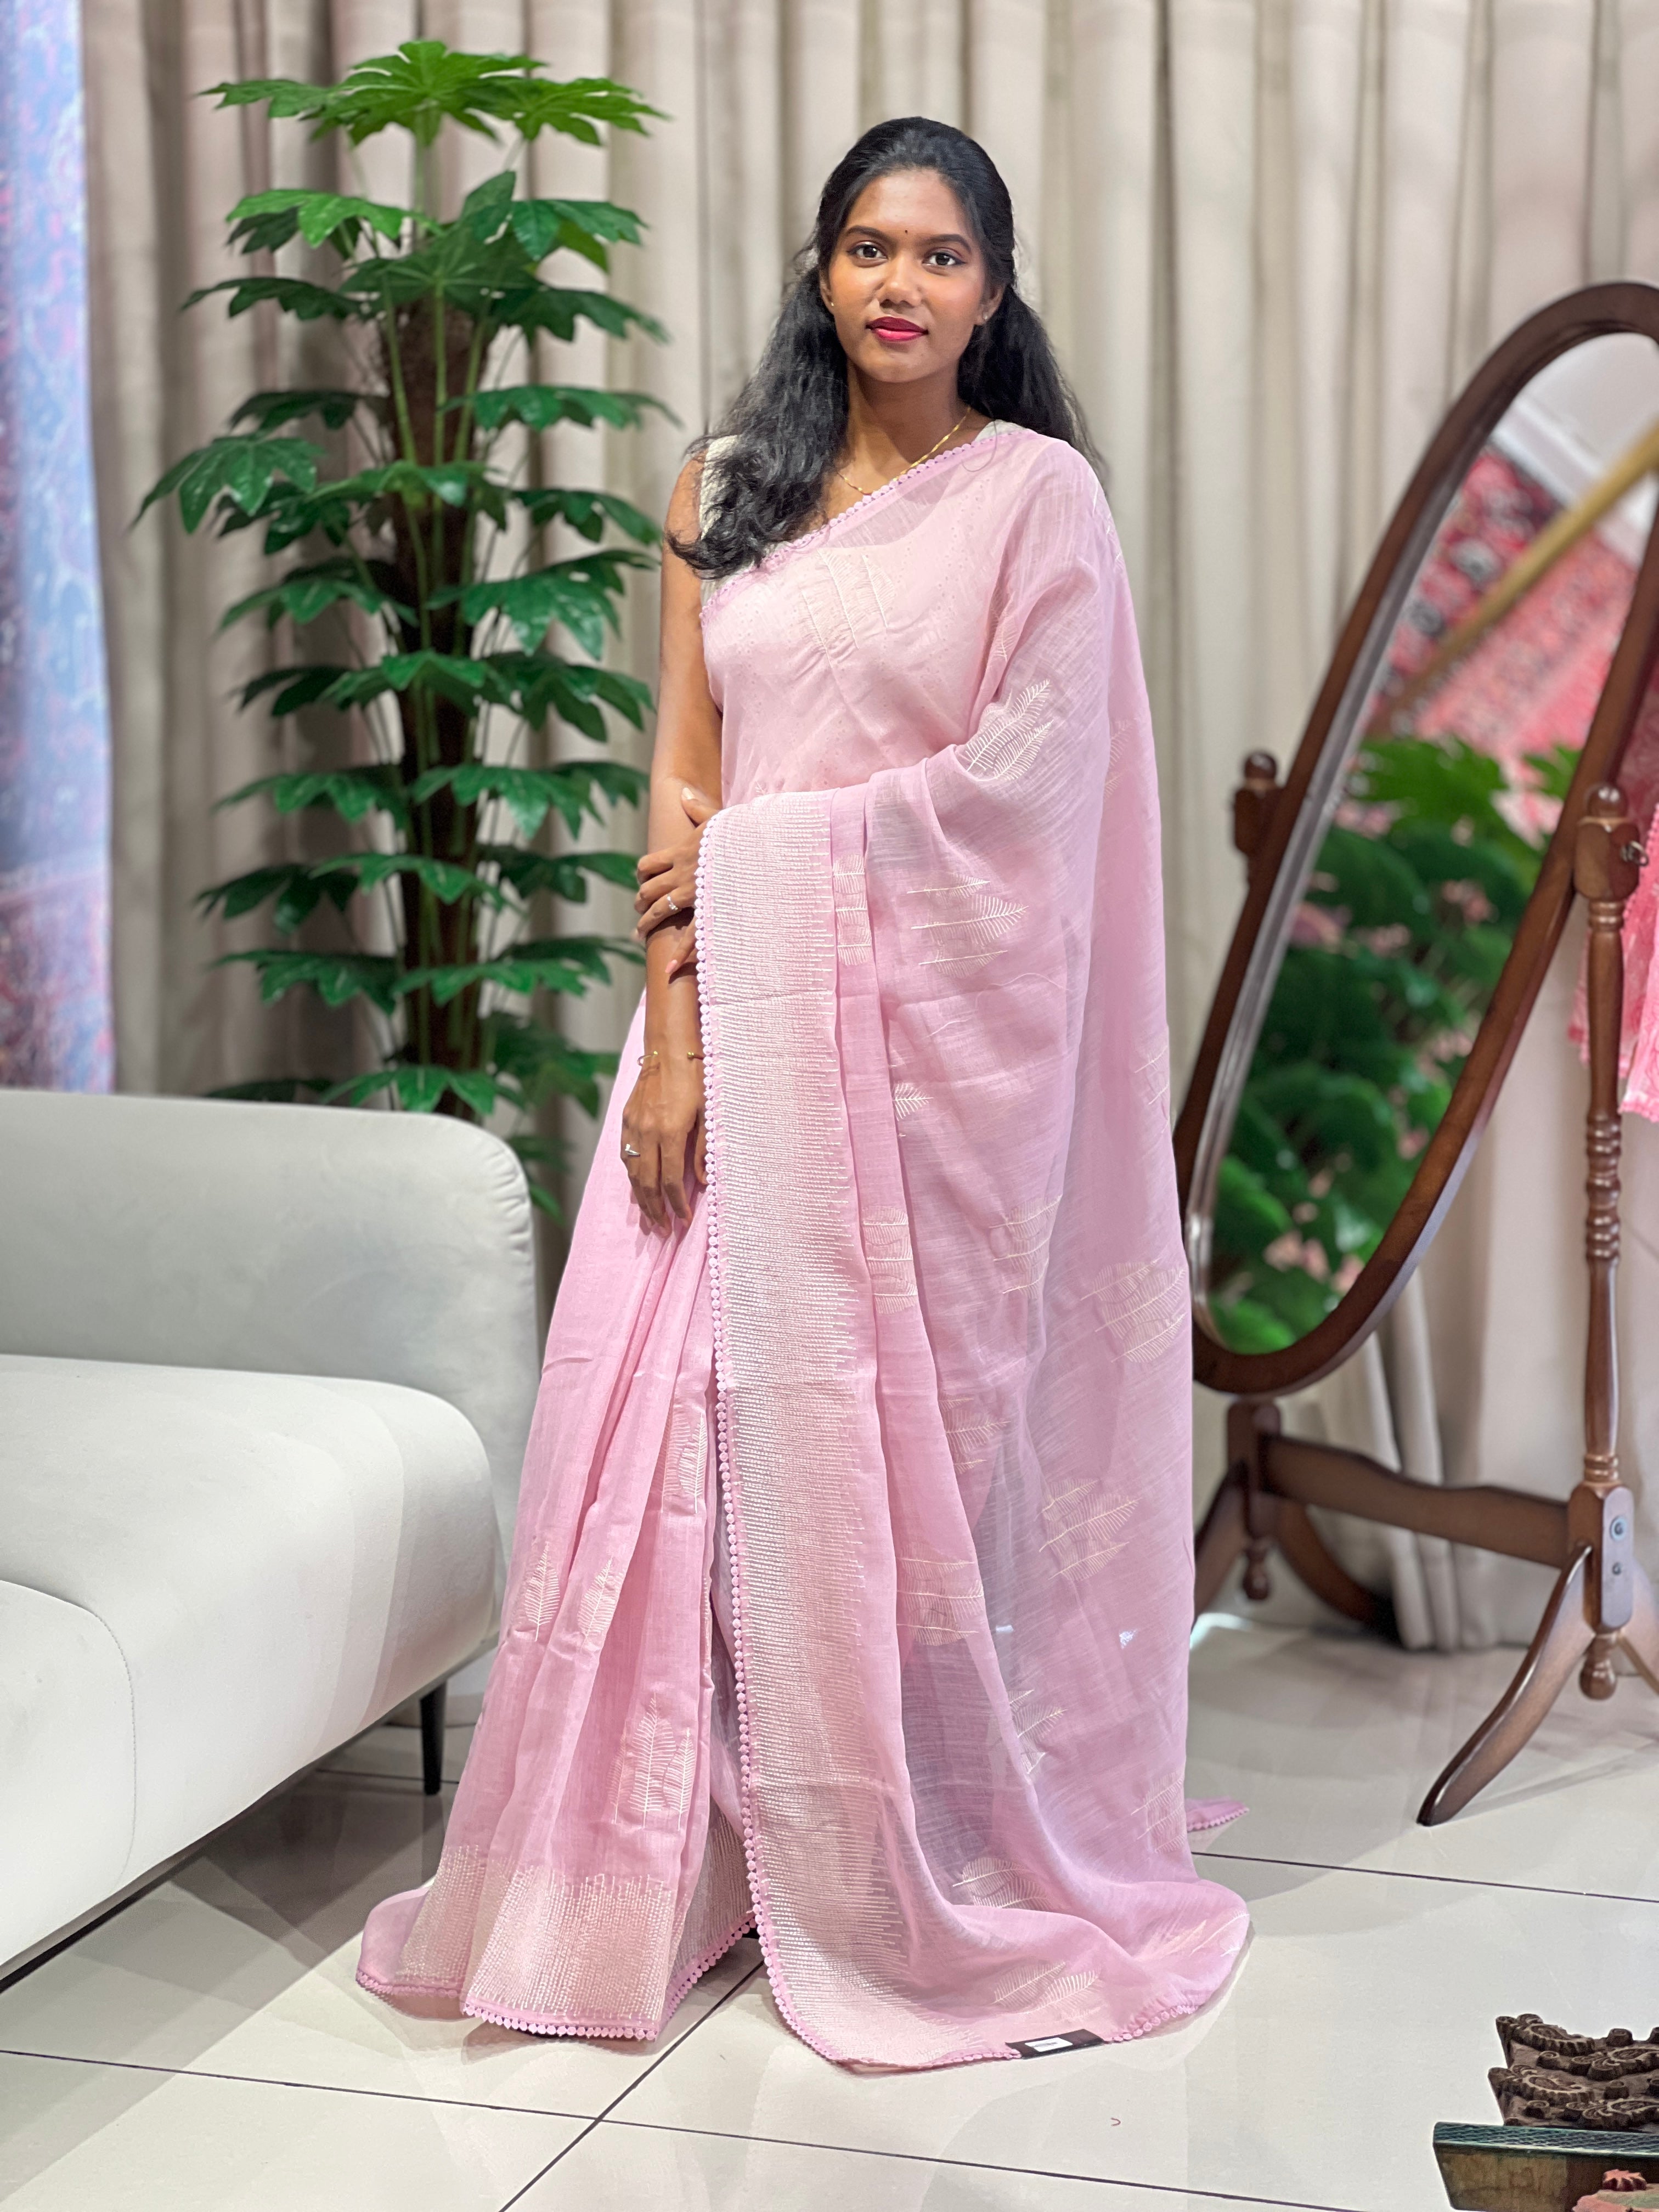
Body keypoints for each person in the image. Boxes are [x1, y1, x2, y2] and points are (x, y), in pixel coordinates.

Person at [358, 115, 1248, 2073]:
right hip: (726, 1042)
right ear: (819, 268)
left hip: (923, 1085)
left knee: (864, 1481)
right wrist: (678, 1040)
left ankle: (867, 1851)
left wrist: (779, 859)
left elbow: (1028, 799)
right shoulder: (724, 487)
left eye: (939, 256)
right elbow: (682, 783)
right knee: (663, 1454)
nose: (897, 286)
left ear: (991, 293)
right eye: (867, 248)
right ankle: (658, 1865)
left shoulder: (1038, 505)